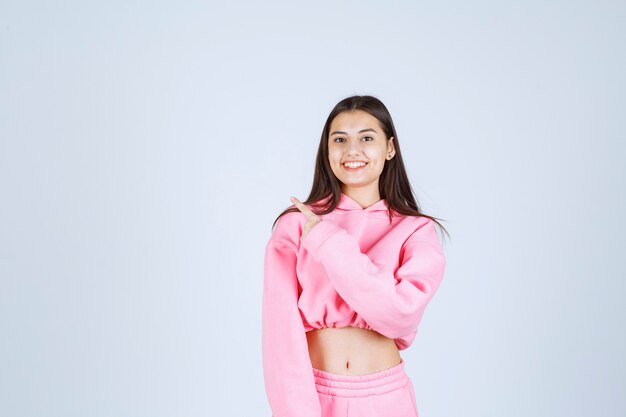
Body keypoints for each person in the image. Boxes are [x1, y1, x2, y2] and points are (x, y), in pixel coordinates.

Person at [262, 95, 449, 417]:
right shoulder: (296, 224)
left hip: (388, 399)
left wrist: (329, 242)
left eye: (366, 138)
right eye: (339, 139)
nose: (352, 150)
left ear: (390, 148)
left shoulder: (416, 230)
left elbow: (397, 315)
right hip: (317, 396)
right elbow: (280, 335)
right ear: (327, 149)